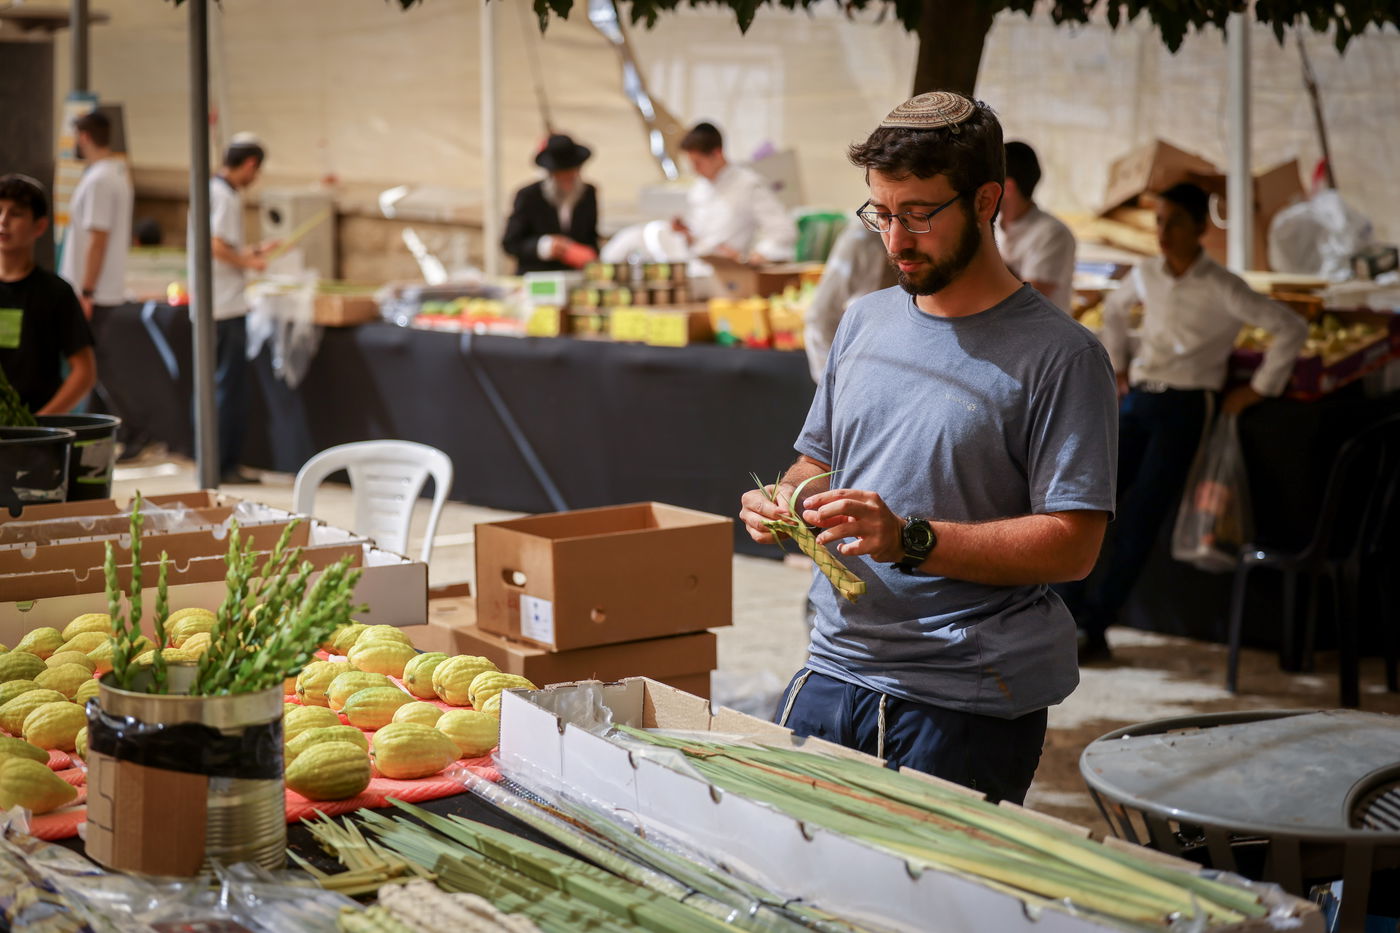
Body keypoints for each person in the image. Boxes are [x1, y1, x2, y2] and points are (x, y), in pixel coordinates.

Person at [738, 92, 1118, 805]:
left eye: (917, 214)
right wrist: (788, 497)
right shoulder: (863, 320)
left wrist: (910, 538)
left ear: (986, 201)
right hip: (832, 664)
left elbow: (1074, 545)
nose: (895, 239)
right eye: (881, 213)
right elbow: (816, 460)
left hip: (964, 696)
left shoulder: (1063, 355)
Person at [1064, 182, 1308, 662]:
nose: (1164, 232)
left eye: (1175, 222)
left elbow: (1290, 327)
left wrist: (1258, 389)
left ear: (1199, 227)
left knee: (1140, 517)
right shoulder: (1148, 272)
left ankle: (1096, 625)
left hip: (1186, 406)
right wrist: (1118, 364)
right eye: (1159, 221)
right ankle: (1066, 615)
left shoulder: (1221, 284)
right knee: (1091, 499)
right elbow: (1114, 308)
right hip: (1139, 398)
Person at [191, 134, 277, 485]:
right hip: (223, 307)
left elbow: (219, 243)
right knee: (226, 389)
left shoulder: (210, 189)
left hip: (213, 304)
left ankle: (214, 459)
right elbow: (215, 245)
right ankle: (222, 463)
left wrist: (251, 251)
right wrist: (248, 261)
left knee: (215, 386)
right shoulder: (225, 195)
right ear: (250, 165)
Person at [0, 175, 96, 415]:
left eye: (16, 213)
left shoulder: (57, 293)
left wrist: (41, 423)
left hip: (35, 435)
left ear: (40, 226)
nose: (3, 221)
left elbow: (84, 371)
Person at [673, 121, 796, 265]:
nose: (696, 170)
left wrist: (755, 256)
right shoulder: (699, 188)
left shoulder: (747, 185)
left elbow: (784, 231)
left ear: (717, 153)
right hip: (697, 271)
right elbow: (701, 238)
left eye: (698, 163)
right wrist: (686, 232)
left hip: (732, 277)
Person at [59, 111, 134, 322]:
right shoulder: (115, 174)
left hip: (93, 295)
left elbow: (98, 239)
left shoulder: (99, 180)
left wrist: (87, 292)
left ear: (84, 137)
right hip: (100, 292)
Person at [803, 221, 896, 381]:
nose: (897, 242)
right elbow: (821, 316)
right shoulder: (864, 237)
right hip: (865, 375)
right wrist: (835, 385)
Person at [501, 134, 600, 274]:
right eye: (562, 173)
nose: (568, 177)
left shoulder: (588, 193)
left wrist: (587, 254)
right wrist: (546, 246)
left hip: (574, 277)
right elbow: (510, 243)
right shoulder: (529, 196)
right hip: (536, 278)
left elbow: (591, 237)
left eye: (572, 171)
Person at [996, 141, 1076, 313]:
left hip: (1042, 337)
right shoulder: (994, 226)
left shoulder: (1053, 233)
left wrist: (982, 247)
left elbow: (1028, 301)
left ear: (1008, 187)